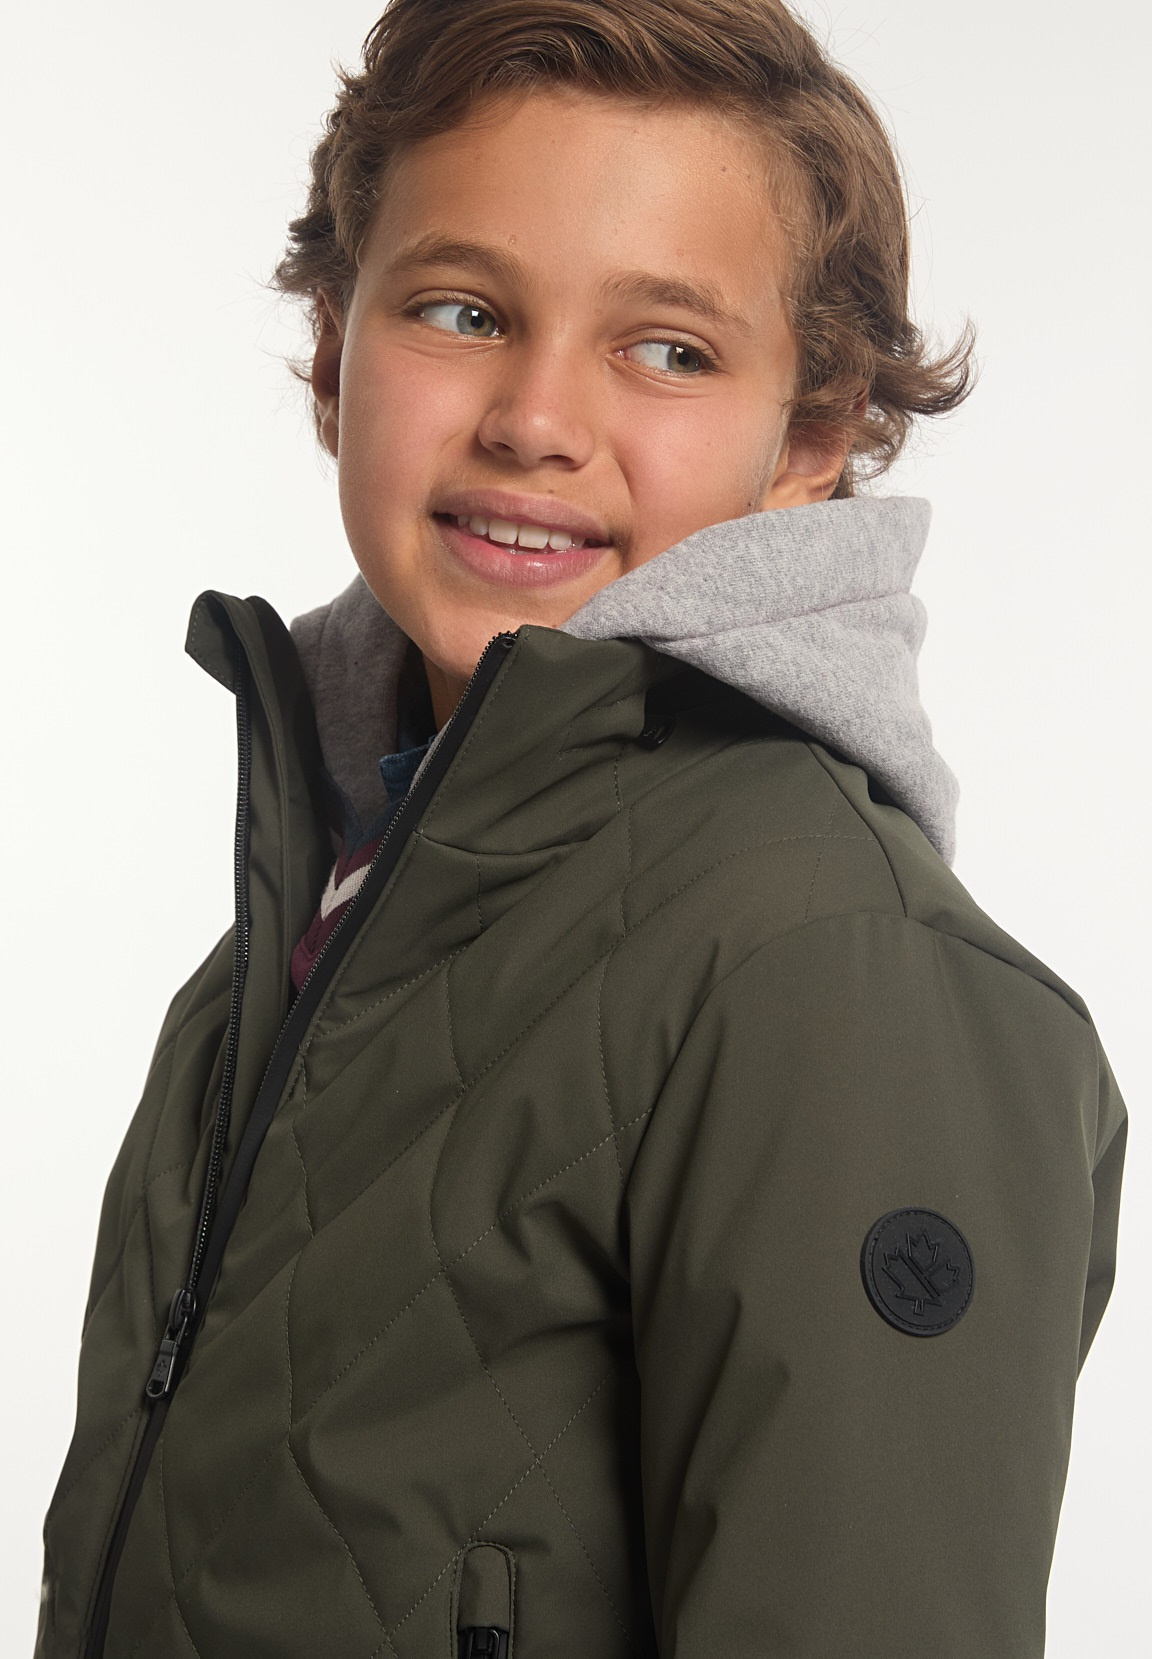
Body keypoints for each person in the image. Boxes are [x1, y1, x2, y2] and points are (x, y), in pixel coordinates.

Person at [36, 1, 1127, 1655]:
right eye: (462, 310)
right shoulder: (314, 924)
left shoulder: (831, 972)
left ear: (813, 435)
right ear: (334, 349)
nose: (536, 418)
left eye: (668, 347)